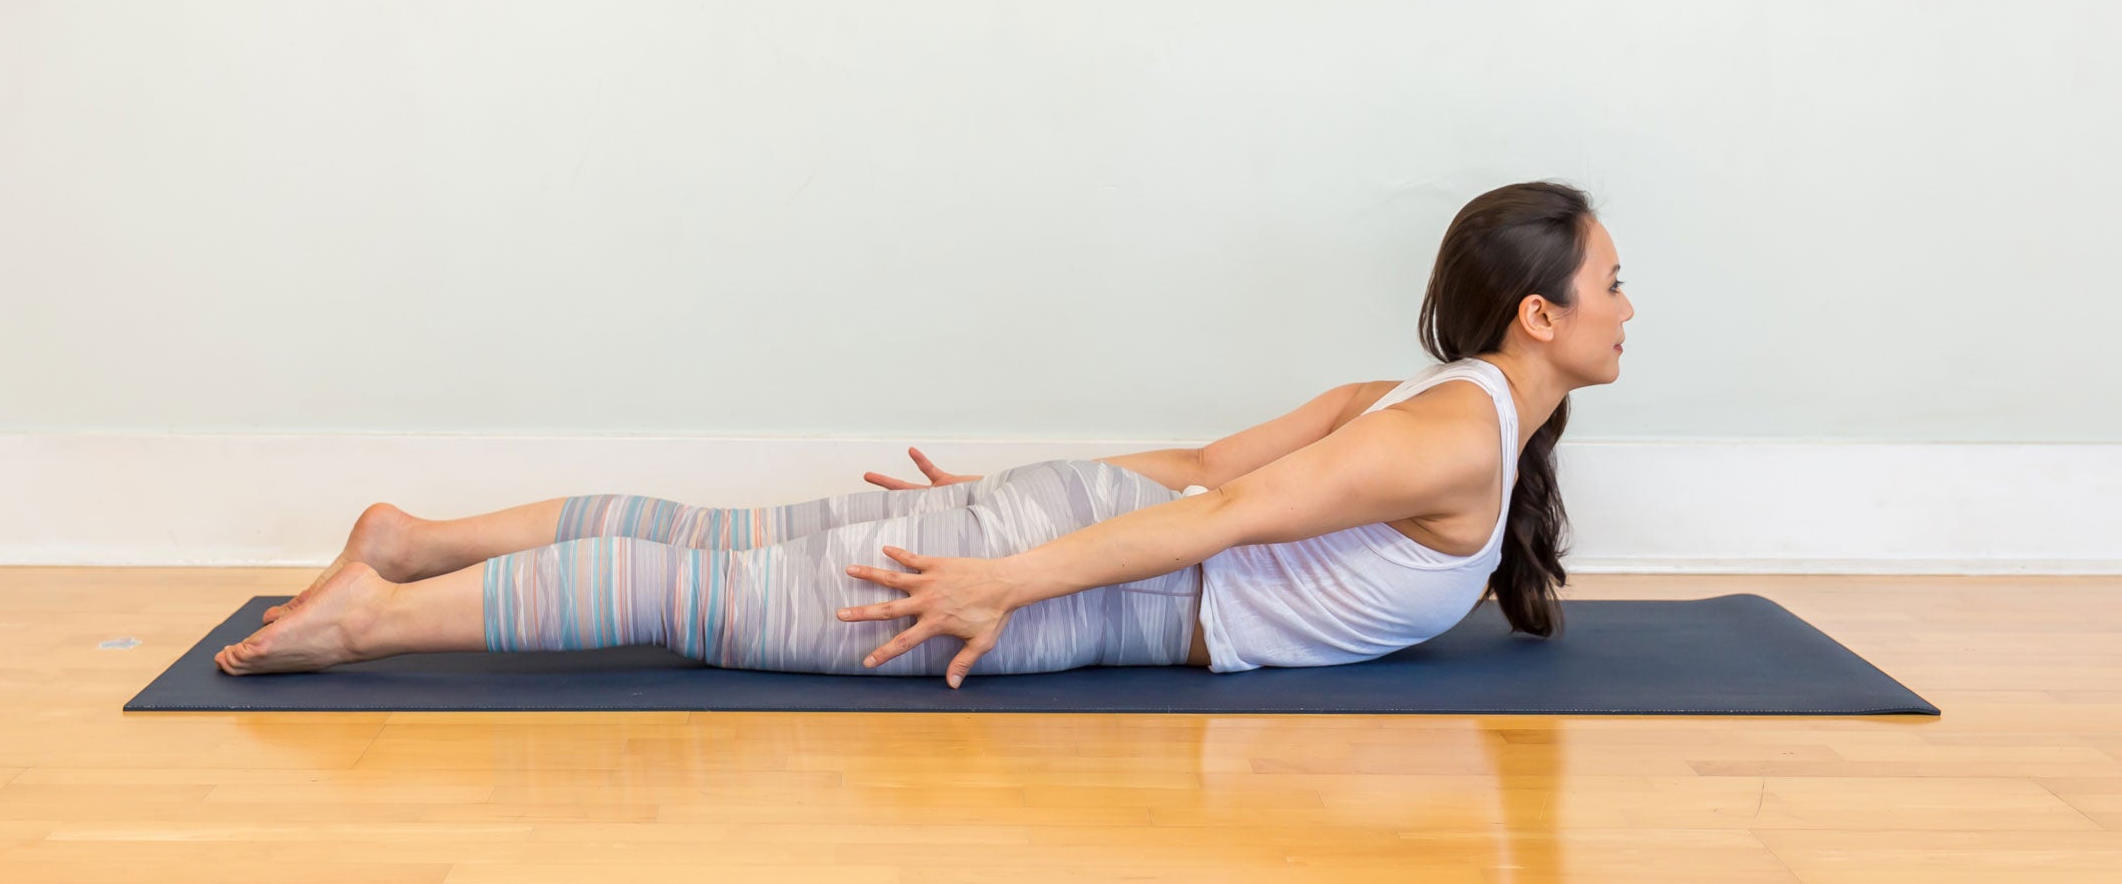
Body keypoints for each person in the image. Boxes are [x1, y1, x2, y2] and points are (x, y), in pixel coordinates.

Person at [215, 180, 1628, 685]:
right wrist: (1000, 572)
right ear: (1537, 314)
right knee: (707, 599)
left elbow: (1207, 467)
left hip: (1075, 534)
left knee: (713, 546)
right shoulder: (1457, 430)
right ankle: (362, 619)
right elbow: (1217, 516)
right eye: (1611, 281)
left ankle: (410, 544)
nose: (1629, 303)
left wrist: (1011, 513)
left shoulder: (1415, 402)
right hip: (1095, 579)